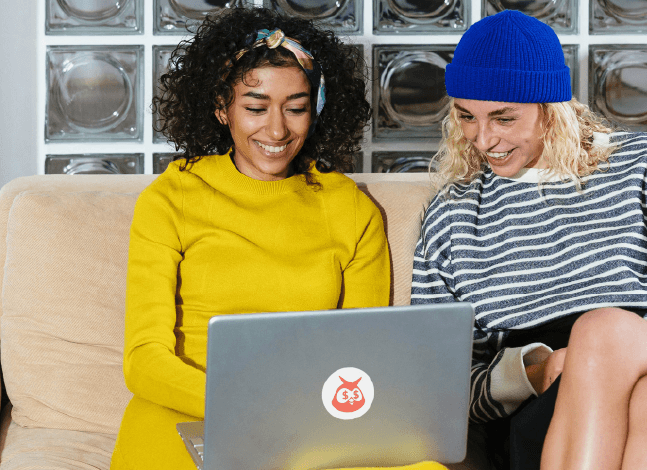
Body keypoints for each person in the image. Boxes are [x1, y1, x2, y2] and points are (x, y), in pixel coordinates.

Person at [412, 10, 647, 470]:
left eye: (503, 119)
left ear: (550, 107)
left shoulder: (640, 164)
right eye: (466, 117)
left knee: (604, 334)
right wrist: (533, 373)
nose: (483, 139)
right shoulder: (451, 216)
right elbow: (438, 388)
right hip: (549, 407)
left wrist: (612, 346)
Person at [111, 8, 443, 470]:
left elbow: (358, 354)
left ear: (318, 107)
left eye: (296, 107)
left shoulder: (349, 208)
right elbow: (144, 360)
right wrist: (251, 411)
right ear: (220, 107)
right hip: (188, 413)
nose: (276, 130)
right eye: (255, 107)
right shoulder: (171, 198)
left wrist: (307, 416)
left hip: (304, 421)